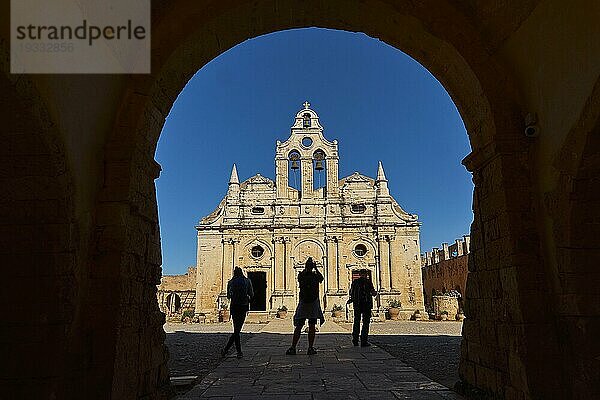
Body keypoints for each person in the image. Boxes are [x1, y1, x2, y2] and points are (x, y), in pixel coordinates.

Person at [286, 257, 324, 355]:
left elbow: (300, 278)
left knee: (298, 326)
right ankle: (310, 348)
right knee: (312, 326)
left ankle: (293, 347)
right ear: (312, 267)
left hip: (303, 303)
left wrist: (306, 268)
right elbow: (321, 278)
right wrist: (316, 268)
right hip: (313, 303)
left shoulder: (301, 275)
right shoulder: (315, 276)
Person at [221, 267, 254, 359]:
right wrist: (247, 299)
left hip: (234, 306)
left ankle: (226, 350)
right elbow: (252, 294)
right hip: (243, 306)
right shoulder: (247, 281)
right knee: (237, 330)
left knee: (236, 329)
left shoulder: (230, 282)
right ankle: (238, 352)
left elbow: (228, 296)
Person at [347, 269, 377, 347]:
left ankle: (356, 340)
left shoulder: (356, 282)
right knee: (364, 323)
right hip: (365, 304)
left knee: (358, 322)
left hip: (358, 304)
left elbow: (351, 292)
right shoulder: (368, 282)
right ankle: (363, 341)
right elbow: (373, 292)